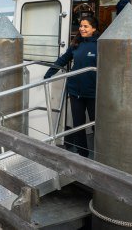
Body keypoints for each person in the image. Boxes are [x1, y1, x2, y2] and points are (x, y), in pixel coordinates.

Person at [44, 16, 100, 157]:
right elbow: (63, 59)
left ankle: (100, 156)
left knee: (96, 125)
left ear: (94, 28)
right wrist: (49, 74)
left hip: (93, 93)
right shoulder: (76, 44)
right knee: (78, 125)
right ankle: (83, 155)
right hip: (75, 92)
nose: (82, 29)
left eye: (86, 26)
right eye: (81, 26)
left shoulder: (100, 45)